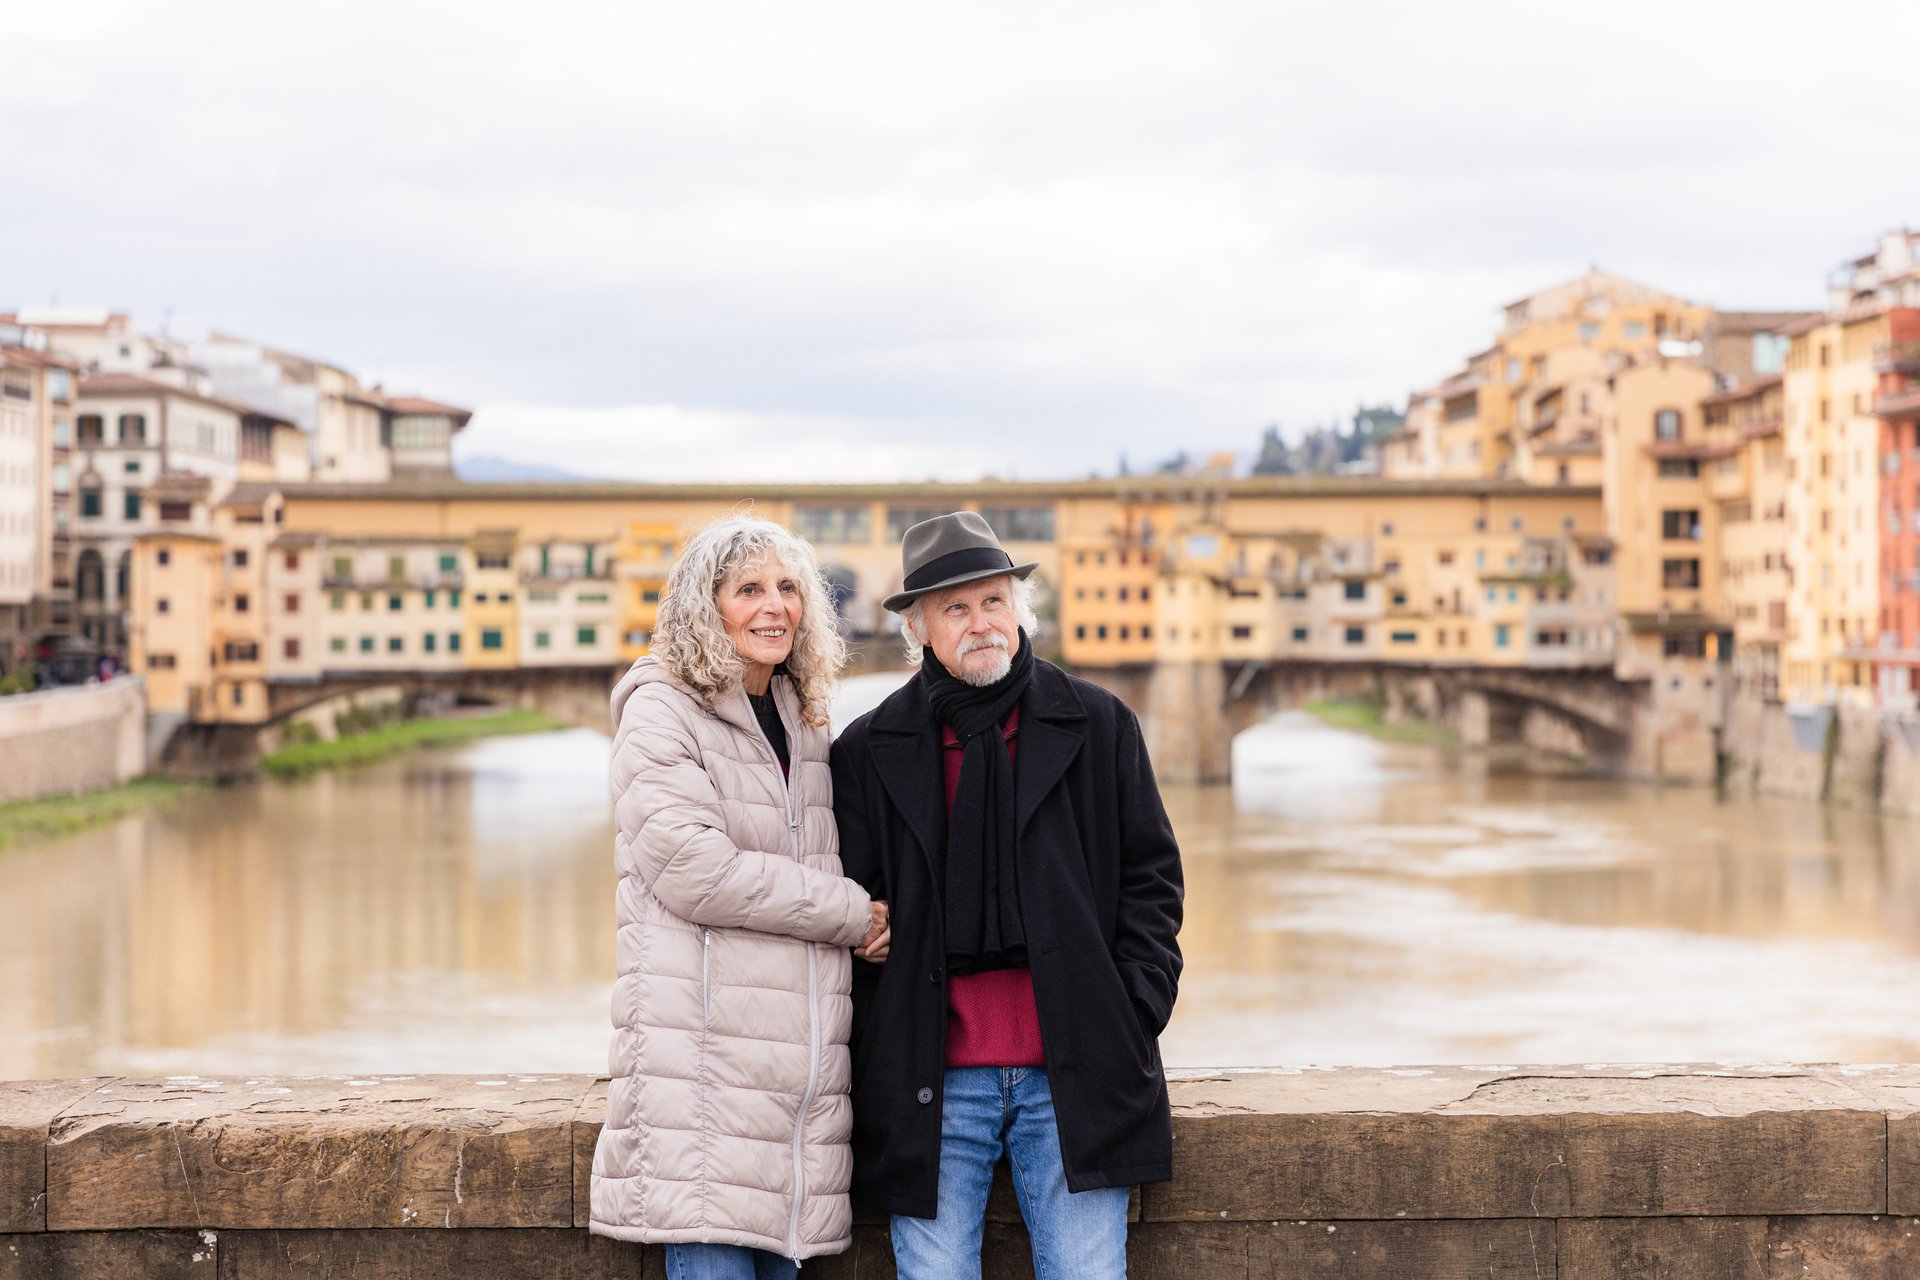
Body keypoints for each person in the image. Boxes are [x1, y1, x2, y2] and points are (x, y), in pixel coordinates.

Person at [832, 511, 1184, 1279]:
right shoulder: (865, 752)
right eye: (955, 608)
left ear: (1018, 609)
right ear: (919, 629)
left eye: (994, 601)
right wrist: (875, 1004)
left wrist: (1131, 1013)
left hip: (1079, 1067)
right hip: (929, 1079)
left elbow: (1152, 884)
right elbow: (849, 906)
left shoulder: (1100, 725)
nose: (981, 623)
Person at [590, 515, 891, 1280]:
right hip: (704, 1082)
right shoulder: (661, 708)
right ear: (706, 604)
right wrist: (852, 914)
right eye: (749, 589)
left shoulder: (801, 715)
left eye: (788, 587)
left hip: (790, 1097)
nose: (774, 605)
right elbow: (696, 870)